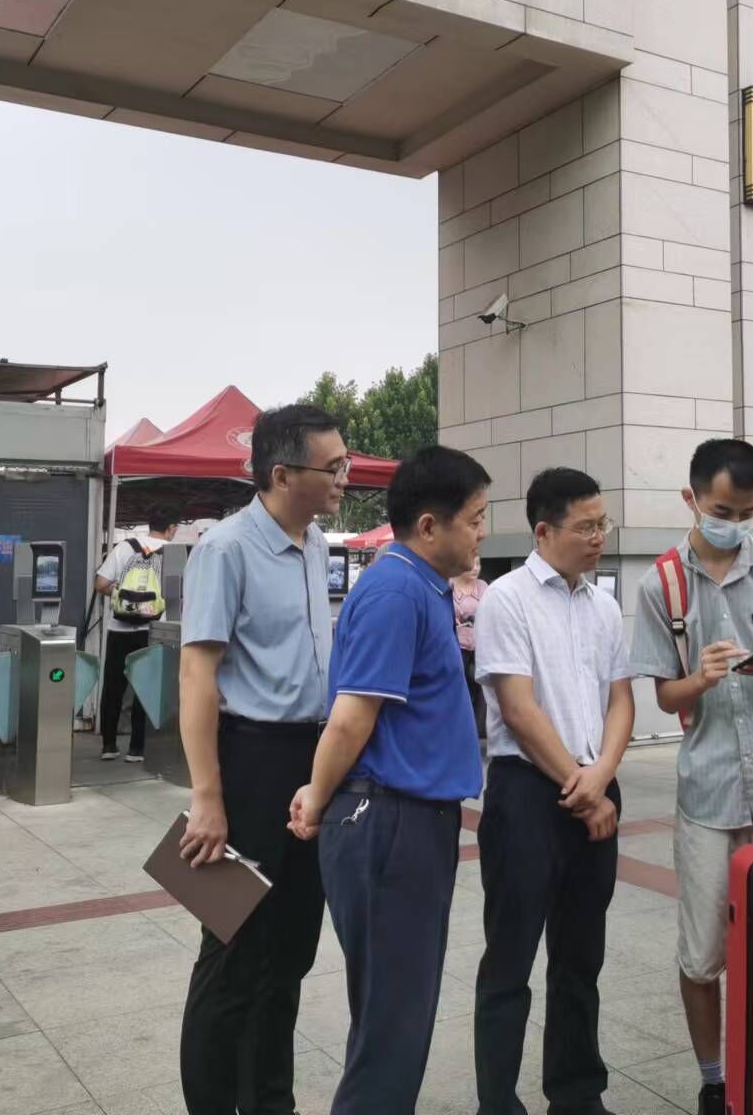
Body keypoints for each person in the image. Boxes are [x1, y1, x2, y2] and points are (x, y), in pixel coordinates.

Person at [628, 439, 753, 1115]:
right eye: (722, 511)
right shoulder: (662, 584)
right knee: (701, 953)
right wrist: (702, 677)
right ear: (691, 499)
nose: (734, 523)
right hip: (709, 795)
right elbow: (666, 698)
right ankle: (714, 1078)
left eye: (746, 512)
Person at [287, 446, 490, 1114]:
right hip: (390, 821)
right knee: (392, 1028)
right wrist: (316, 797)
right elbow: (351, 718)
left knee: (394, 1016)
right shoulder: (396, 590)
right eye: (475, 518)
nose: (483, 532)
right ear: (429, 525)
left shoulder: (421, 587)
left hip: (411, 820)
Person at [175, 405, 350, 1115]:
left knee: (291, 952)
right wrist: (207, 796)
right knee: (231, 953)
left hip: (311, 763)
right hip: (247, 761)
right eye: (332, 467)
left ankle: (271, 1101)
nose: (344, 477)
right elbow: (196, 673)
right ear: (282, 474)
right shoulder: (225, 549)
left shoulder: (315, 544)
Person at [472, 468, 633, 1115]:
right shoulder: (506, 600)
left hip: (594, 785)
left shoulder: (603, 606)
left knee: (580, 957)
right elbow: (518, 709)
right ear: (543, 531)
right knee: (510, 959)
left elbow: (621, 700)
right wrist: (584, 787)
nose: (598, 537)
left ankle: (576, 1094)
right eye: (585, 527)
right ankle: (497, 1103)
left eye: (603, 524)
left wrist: (602, 778)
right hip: (527, 794)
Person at [93, 504, 180, 761]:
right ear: (171, 528)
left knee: (113, 687)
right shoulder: (173, 554)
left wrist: (124, 595)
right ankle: (137, 748)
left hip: (119, 628)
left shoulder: (124, 547)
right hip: (153, 631)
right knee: (147, 687)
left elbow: (101, 584)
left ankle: (109, 745)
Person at [452, 558, 489, 738]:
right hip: (457, 646)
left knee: (484, 687)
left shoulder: (483, 587)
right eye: (472, 564)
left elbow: (490, 610)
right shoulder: (449, 585)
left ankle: (478, 729)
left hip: (480, 645)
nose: (475, 569)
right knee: (460, 688)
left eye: (478, 564)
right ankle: (459, 728)